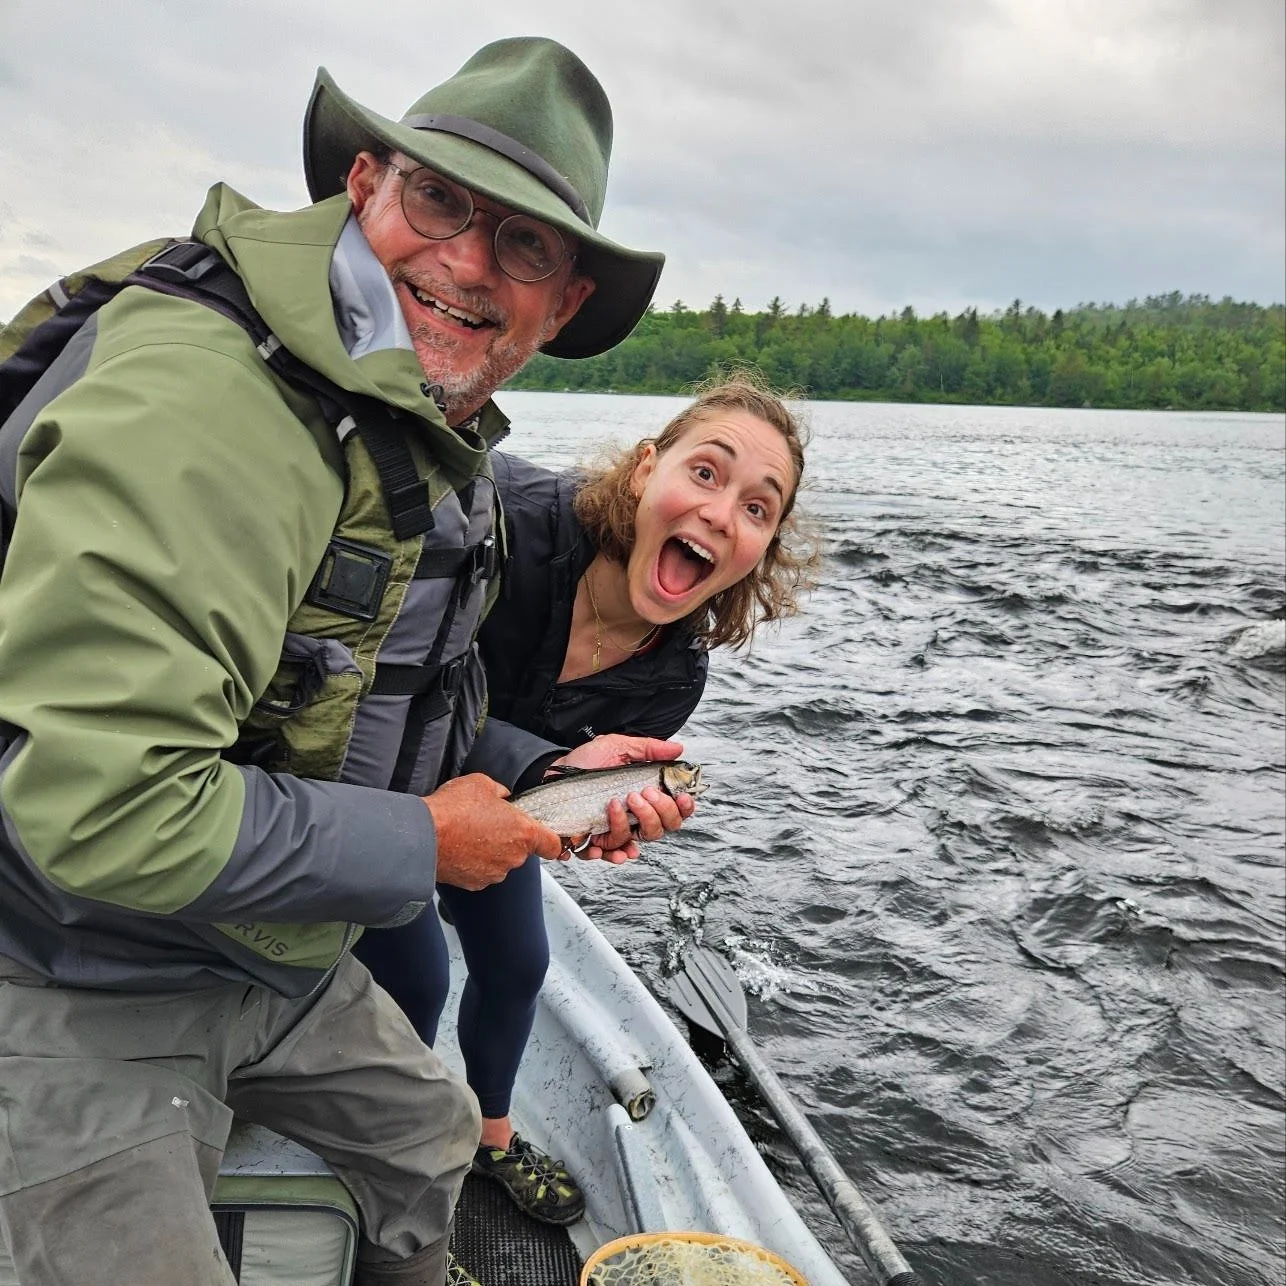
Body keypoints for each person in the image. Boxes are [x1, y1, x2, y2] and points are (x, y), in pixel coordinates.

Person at [0, 38, 693, 1286]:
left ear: (565, 300)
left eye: (524, 243)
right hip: (53, 956)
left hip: (241, 944)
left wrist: (544, 771)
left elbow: (363, 701)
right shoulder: (206, 407)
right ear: (363, 183)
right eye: (439, 201)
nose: (468, 262)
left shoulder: (406, 421)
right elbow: (98, 811)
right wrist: (428, 843)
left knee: (430, 1134)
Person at [357, 369, 818, 1227]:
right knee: (416, 978)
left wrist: (587, 822)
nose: (723, 513)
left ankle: (491, 1135)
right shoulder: (506, 519)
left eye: (760, 508)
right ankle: (399, 1157)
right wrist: (544, 770)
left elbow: (558, 807)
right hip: (374, 777)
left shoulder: (674, 672)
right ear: (646, 469)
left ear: (761, 550)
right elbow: (395, 687)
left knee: (520, 965)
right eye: (707, 472)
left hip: (501, 807)